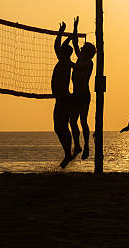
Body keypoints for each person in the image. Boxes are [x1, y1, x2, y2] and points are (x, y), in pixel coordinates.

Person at [70, 17, 96, 160]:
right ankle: (78, 145)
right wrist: (75, 28)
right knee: (73, 121)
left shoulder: (88, 63)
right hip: (76, 94)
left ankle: (86, 146)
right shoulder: (81, 57)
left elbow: (76, 66)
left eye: (83, 49)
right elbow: (75, 44)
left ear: (87, 52)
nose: (80, 49)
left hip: (83, 95)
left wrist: (66, 62)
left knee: (83, 121)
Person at [52, 21, 76, 168]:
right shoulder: (67, 62)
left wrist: (61, 32)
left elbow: (56, 45)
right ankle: (68, 152)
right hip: (65, 98)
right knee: (63, 127)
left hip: (63, 99)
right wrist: (71, 35)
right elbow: (60, 47)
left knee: (59, 127)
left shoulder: (64, 61)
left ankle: (68, 153)